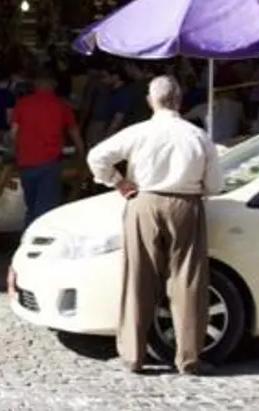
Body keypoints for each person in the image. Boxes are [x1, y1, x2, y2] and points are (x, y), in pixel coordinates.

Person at [85, 75, 223, 376]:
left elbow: (97, 156)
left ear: (151, 101)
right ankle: (188, 358)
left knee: (138, 278)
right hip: (186, 204)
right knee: (187, 281)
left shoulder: (140, 132)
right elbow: (215, 185)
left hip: (144, 202)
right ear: (180, 100)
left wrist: (118, 182)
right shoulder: (197, 136)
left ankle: (133, 356)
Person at [10, 70, 85, 227]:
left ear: (35, 85)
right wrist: (82, 155)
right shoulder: (62, 106)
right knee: (43, 210)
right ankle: (34, 243)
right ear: (54, 85)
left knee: (31, 206)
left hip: (25, 162)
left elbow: (13, 133)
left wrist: (14, 152)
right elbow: (75, 134)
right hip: (49, 163)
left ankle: (27, 238)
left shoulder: (22, 103)